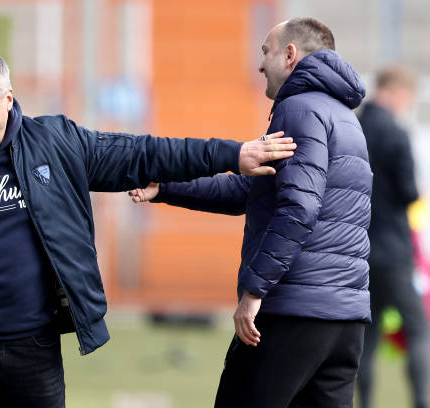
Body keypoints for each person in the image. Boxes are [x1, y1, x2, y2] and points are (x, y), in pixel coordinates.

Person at [0, 48, 295, 407]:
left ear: (7, 98)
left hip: (32, 346)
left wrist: (232, 154)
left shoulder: (58, 143)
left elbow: (145, 154)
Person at [130, 17, 371, 407]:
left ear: (290, 55)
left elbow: (299, 207)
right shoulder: (344, 117)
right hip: (345, 319)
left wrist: (256, 289)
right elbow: (255, 189)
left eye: (266, 52)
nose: (260, 65)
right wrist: (168, 187)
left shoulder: (297, 108)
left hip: (293, 310)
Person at [356, 65, 429, 408]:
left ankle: (364, 402)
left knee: (365, 337)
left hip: (358, 249)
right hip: (395, 252)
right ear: (398, 91)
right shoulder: (397, 134)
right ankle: (419, 401)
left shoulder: (352, 126)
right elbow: (408, 193)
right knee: (418, 331)